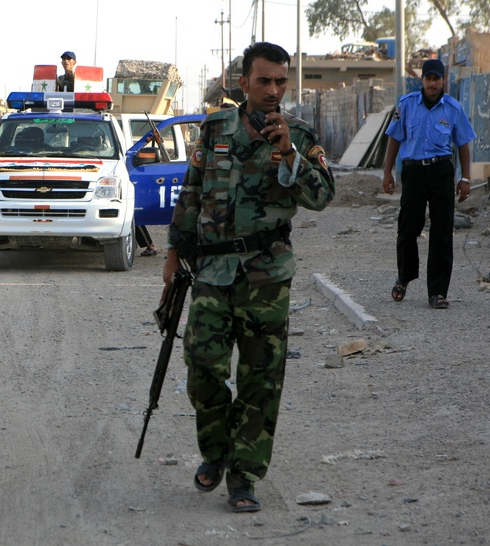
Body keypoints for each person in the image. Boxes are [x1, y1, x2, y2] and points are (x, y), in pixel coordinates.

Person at [162, 42, 334, 513]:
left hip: (267, 277)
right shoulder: (215, 127)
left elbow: (322, 196)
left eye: (281, 81)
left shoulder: (298, 133)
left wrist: (291, 155)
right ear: (245, 83)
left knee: (261, 379)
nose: (274, 90)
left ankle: (243, 475)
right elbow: (192, 193)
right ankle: (216, 451)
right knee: (202, 367)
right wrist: (173, 255)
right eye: (265, 81)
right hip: (213, 273)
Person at [382, 58, 475, 310]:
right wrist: (387, 172)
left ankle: (438, 292)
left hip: (441, 172)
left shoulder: (453, 108)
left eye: (436, 78)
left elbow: (463, 143)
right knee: (408, 228)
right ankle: (404, 276)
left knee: (442, 232)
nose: (432, 83)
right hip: (413, 173)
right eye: (428, 78)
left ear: (443, 80)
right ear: (422, 80)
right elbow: (394, 138)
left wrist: (465, 178)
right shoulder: (407, 104)